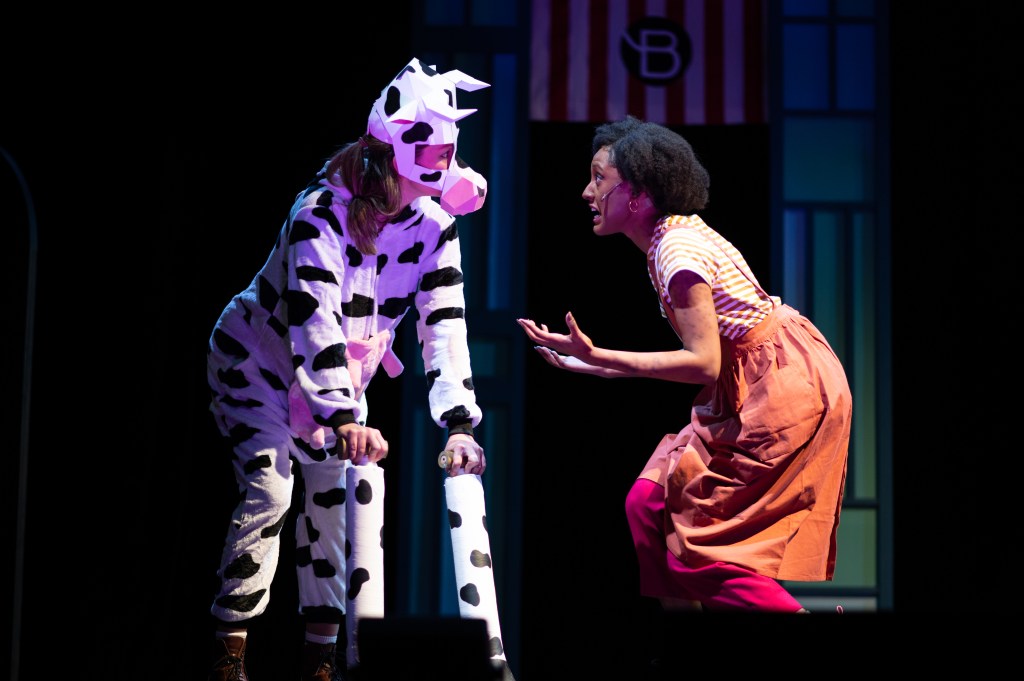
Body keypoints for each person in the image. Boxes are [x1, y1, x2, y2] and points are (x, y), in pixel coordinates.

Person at [205, 57, 514, 681]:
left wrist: (459, 422)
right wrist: (344, 415)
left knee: (335, 505)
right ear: (398, 152)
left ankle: (320, 660)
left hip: (340, 381)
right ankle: (228, 653)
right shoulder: (320, 212)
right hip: (259, 364)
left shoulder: (435, 227)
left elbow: (443, 326)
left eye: (449, 154)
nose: (446, 166)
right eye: (435, 154)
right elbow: (314, 315)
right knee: (272, 489)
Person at [517, 116, 852, 616]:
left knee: (697, 543)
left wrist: (599, 355)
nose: (588, 192)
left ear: (638, 193)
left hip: (782, 381)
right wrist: (600, 367)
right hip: (759, 375)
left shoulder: (676, 249)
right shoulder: (666, 241)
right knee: (648, 505)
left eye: (599, 178)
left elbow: (703, 363)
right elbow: (709, 360)